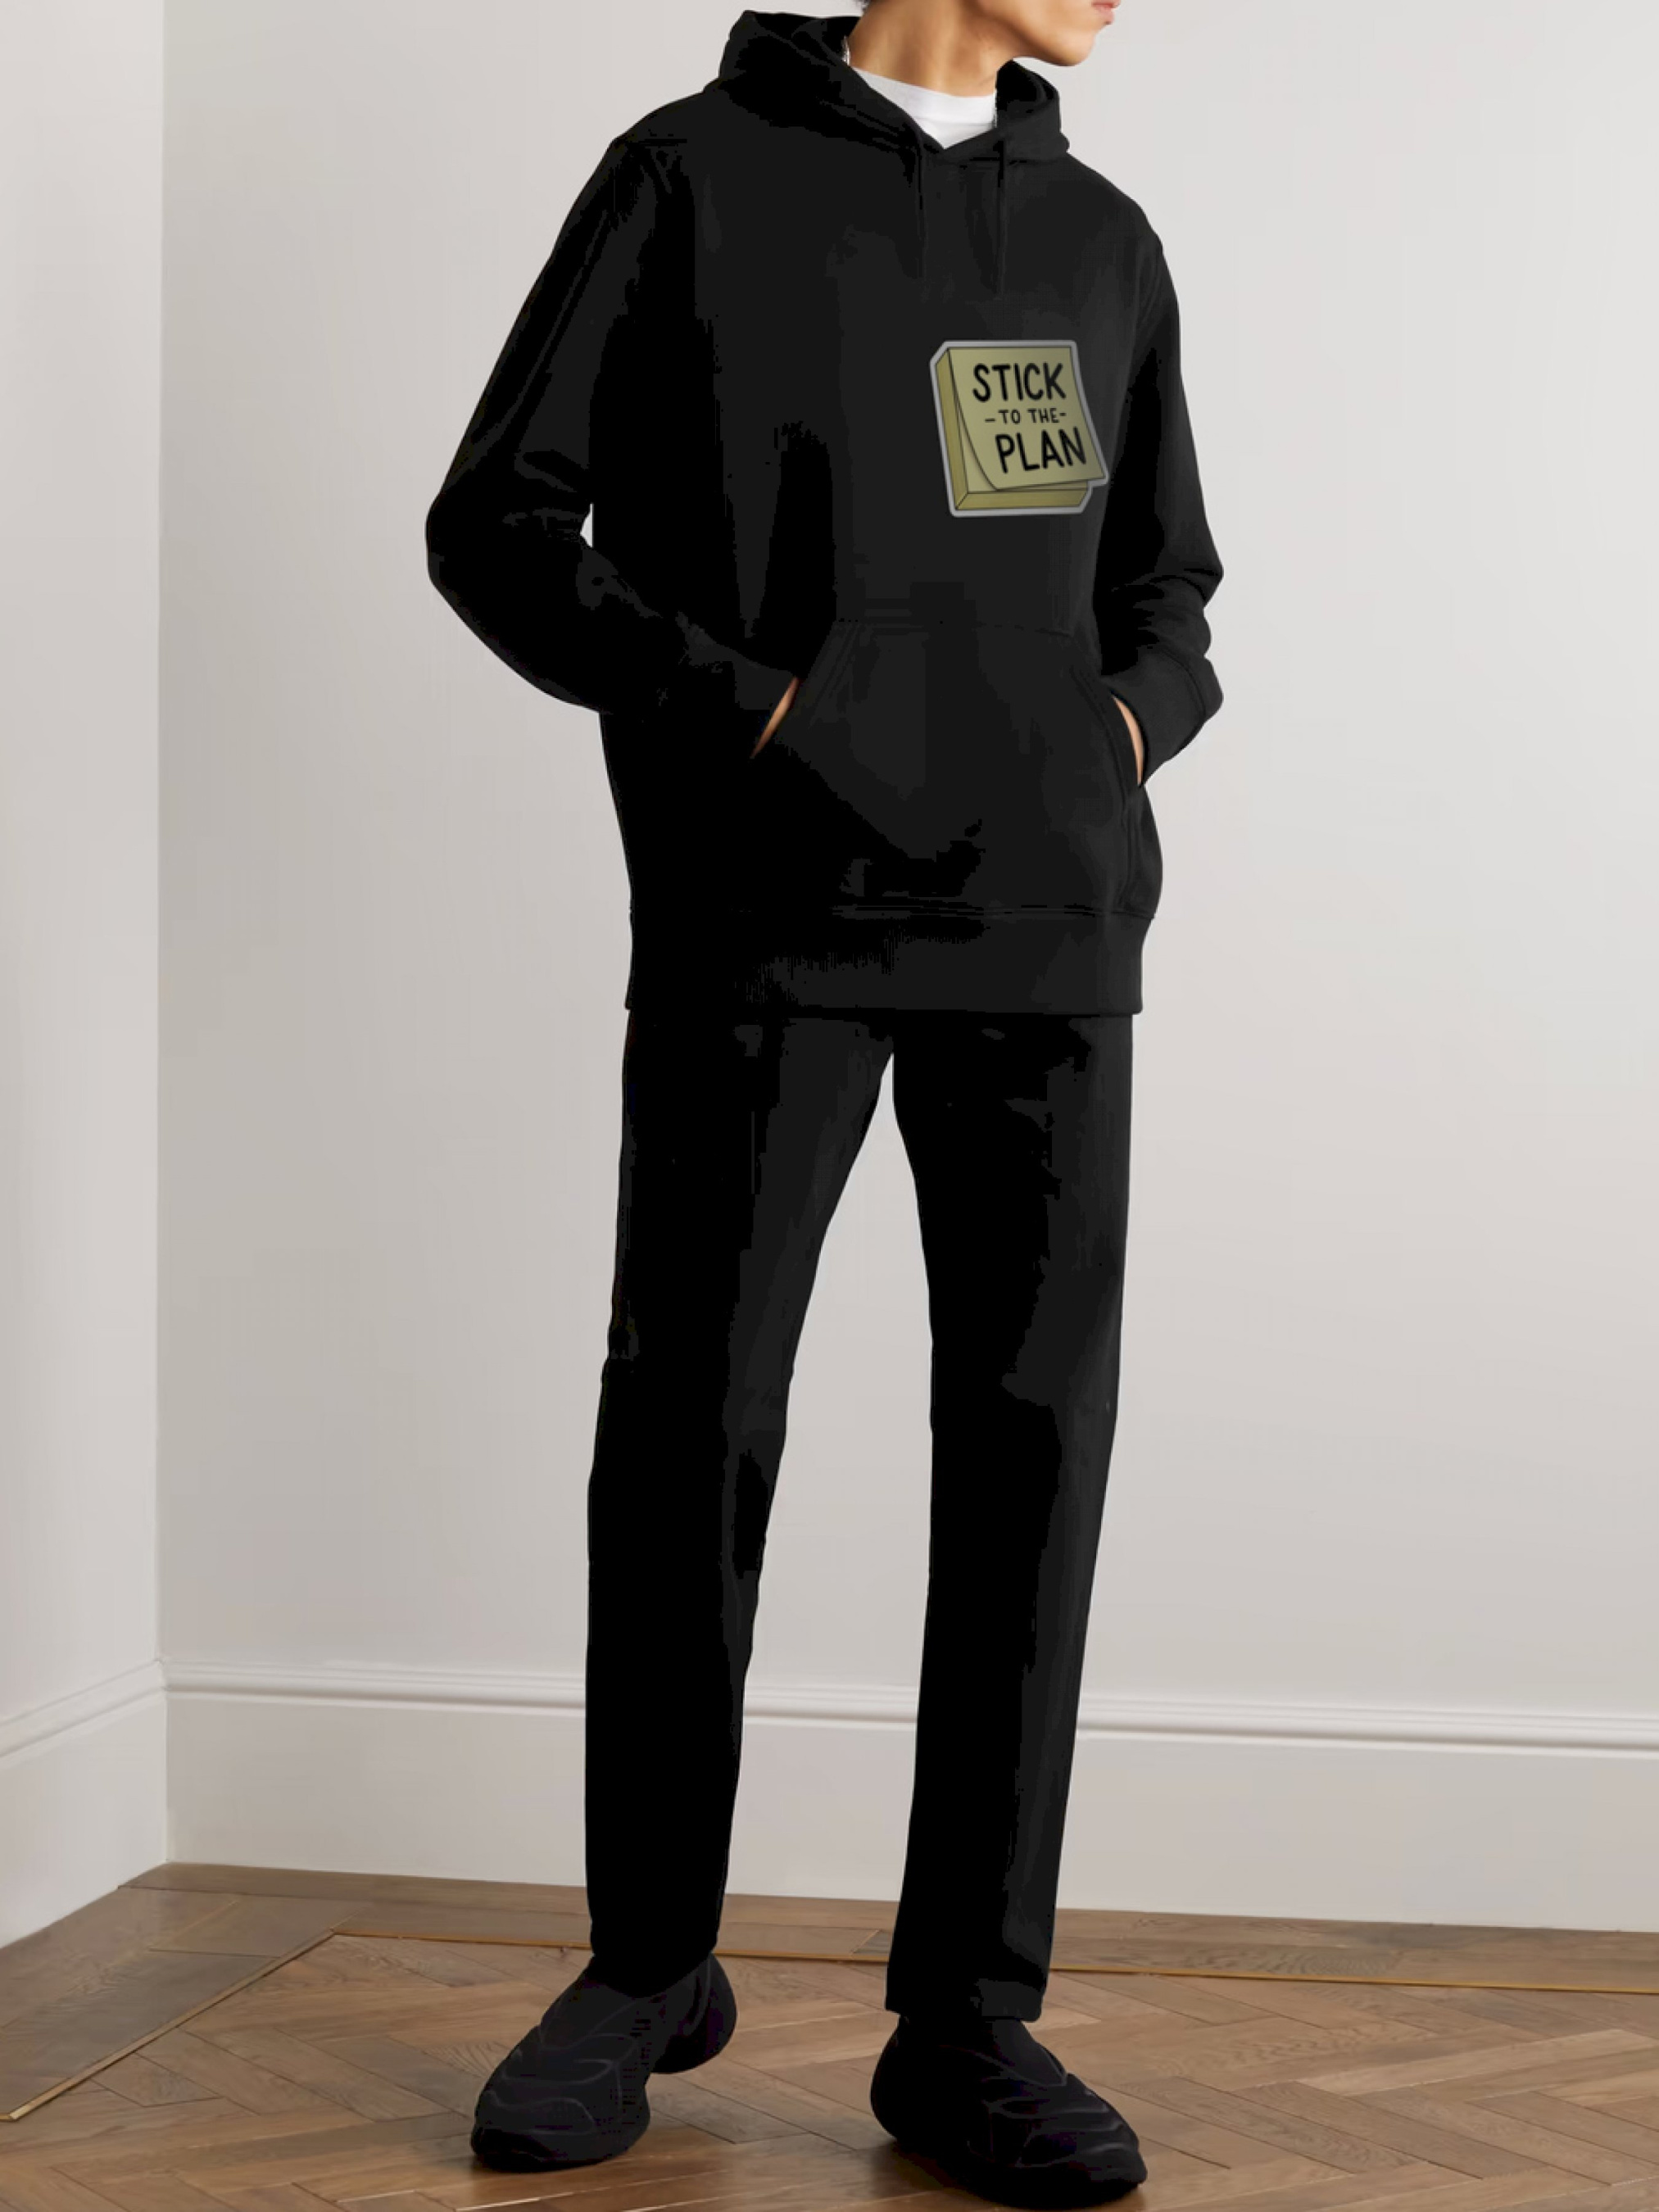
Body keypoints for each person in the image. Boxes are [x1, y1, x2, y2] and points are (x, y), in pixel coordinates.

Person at [425, 0, 1222, 2201]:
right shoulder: (686, 177)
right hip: (764, 923)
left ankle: (967, 2018)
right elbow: (502, 521)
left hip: (1047, 933)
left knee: (1034, 1440)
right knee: (691, 1416)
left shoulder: (1103, 239)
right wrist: (758, 716)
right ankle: (644, 1970)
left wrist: (1110, 743)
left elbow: (1169, 585)